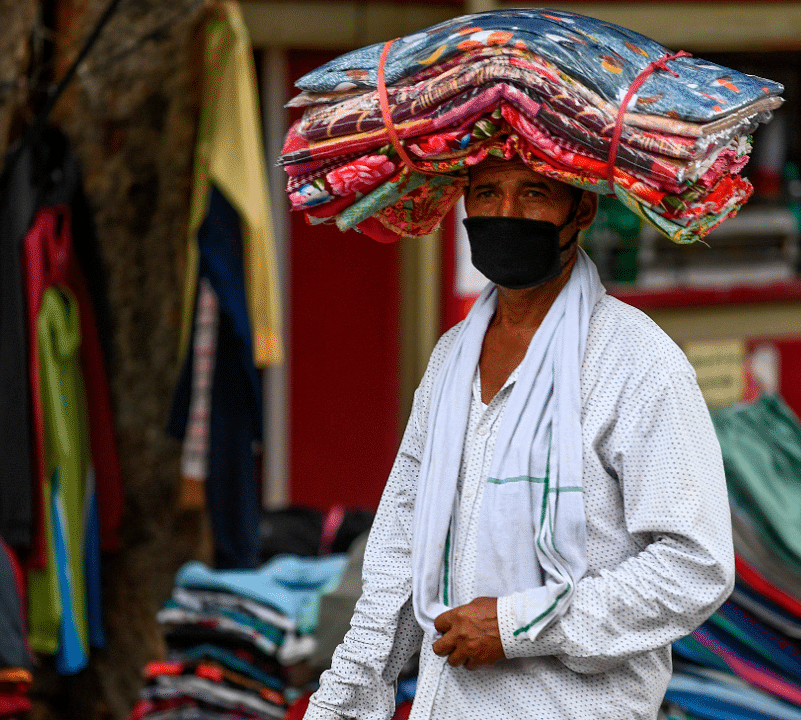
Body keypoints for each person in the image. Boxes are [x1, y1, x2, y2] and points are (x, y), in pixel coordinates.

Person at [302, 156, 734, 720]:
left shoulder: (638, 363)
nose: (504, 214)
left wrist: (520, 625)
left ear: (581, 209)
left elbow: (695, 567)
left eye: (533, 193)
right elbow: (399, 558)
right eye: (485, 194)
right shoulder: (451, 360)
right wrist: (340, 706)